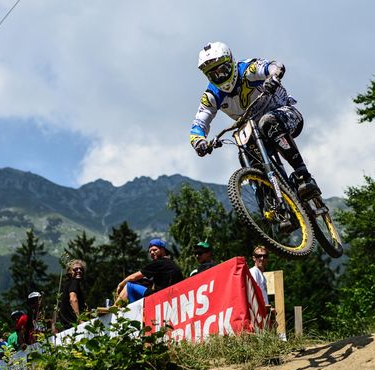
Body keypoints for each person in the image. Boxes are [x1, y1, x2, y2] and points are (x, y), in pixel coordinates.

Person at [190, 41, 319, 200]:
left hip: (286, 115)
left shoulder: (247, 69)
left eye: (222, 70)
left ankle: (303, 176)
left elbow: (274, 65)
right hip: (255, 132)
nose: (219, 76)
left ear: (231, 62)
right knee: (245, 150)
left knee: (268, 121)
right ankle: (272, 203)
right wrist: (199, 141)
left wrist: (273, 76)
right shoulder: (211, 95)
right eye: (213, 74)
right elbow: (199, 123)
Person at [115, 239, 184, 304]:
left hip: (160, 297)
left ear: (163, 250)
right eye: (150, 251)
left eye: (155, 250)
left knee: (129, 285)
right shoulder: (172, 263)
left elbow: (133, 277)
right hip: (171, 297)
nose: (152, 253)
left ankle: (115, 307)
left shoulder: (159, 262)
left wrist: (120, 285)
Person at [57, 259, 87, 329]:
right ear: (69, 272)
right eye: (75, 269)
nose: (79, 271)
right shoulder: (74, 282)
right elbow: (73, 299)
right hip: (73, 325)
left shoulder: (68, 284)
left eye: (81, 269)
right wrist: (79, 320)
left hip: (66, 325)